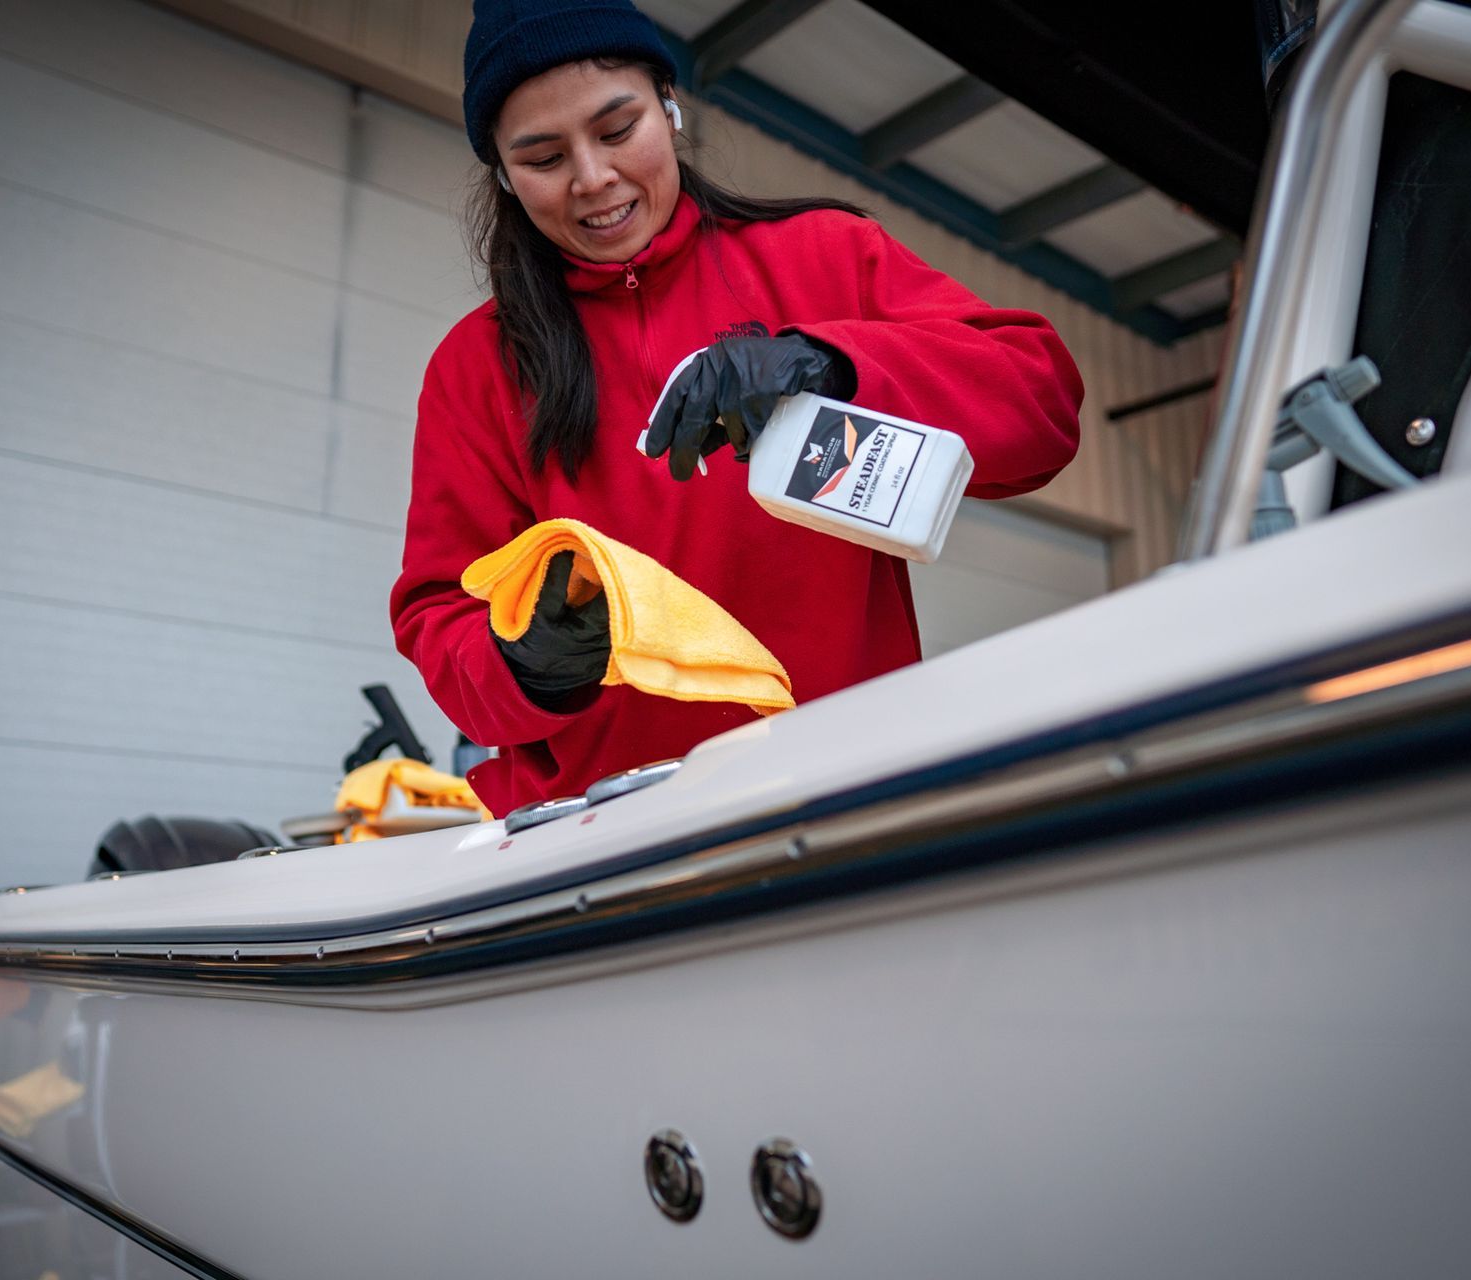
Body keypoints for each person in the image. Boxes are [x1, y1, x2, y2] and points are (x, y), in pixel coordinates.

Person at [390, 0, 1084, 817]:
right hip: (607, 835)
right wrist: (526, 665)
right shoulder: (479, 367)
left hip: (849, 793)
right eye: (543, 157)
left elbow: (1041, 400)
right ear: (505, 177)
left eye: (618, 130)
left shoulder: (824, 256)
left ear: (669, 107)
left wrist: (836, 365)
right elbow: (439, 610)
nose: (592, 178)